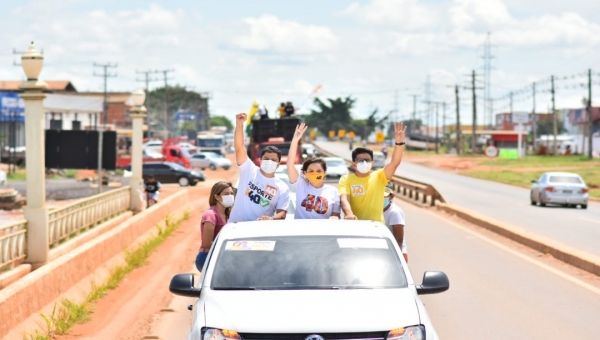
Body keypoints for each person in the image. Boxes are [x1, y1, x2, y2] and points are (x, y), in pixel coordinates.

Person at [338, 122, 407, 223]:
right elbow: (344, 199)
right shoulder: (346, 179)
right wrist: (349, 214)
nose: (364, 163)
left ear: (372, 162)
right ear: (353, 164)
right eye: (360, 160)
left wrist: (399, 143)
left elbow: (394, 163)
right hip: (353, 226)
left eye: (367, 160)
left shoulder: (380, 176)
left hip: (376, 227)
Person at [228, 113, 290, 222]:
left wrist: (272, 218)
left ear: (279, 163)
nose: (269, 162)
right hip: (236, 228)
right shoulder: (248, 170)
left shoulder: (282, 188)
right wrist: (239, 124)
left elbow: (282, 213)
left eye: (273, 160)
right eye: (266, 159)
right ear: (260, 160)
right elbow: (239, 147)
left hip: (260, 231)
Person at [287, 123, 341, 219]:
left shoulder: (333, 191)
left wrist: (335, 217)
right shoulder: (301, 186)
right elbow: (290, 164)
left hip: (322, 232)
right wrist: (295, 140)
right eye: (311, 171)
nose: (315, 173)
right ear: (305, 173)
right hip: (301, 232)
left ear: (325, 173)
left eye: (318, 170)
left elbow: (336, 214)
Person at [195, 181, 235, 271]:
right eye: (226, 194)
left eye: (232, 193)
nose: (230, 196)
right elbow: (207, 243)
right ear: (217, 197)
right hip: (208, 257)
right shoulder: (211, 215)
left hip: (221, 255)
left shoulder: (228, 214)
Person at [383, 185, 408, 262]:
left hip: (397, 253)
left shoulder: (395, 212)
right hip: (384, 250)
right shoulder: (375, 210)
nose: (381, 198)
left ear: (392, 196)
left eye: (384, 196)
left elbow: (399, 239)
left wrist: (396, 259)